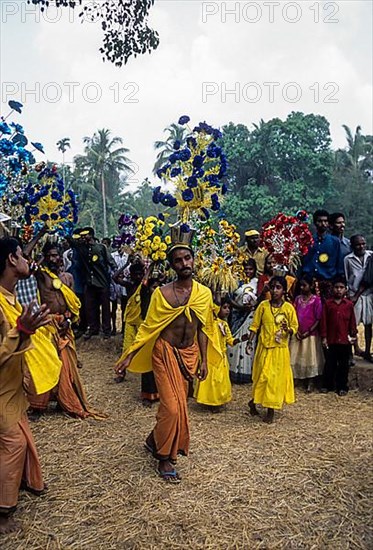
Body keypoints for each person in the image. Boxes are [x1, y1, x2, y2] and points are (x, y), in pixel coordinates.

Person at [115, 245, 221, 483]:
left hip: (189, 356)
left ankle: (154, 439)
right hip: (164, 354)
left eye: (187, 258)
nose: (184, 263)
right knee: (172, 408)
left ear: (193, 260)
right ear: (172, 265)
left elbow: (204, 328)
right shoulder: (161, 294)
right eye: (178, 260)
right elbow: (148, 327)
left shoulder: (204, 294)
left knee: (177, 406)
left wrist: (204, 360)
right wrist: (129, 355)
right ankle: (164, 457)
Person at [0, 237, 50, 534]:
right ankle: (4, 512)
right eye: (22, 254)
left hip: (11, 390)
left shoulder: (11, 297)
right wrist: (20, 331)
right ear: (10, 259)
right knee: (14, 444)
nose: (26, 259)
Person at [28, 243, 104, 419]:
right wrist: (41, 234)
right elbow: (27, 259)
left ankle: (64, 399)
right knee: (47, 362)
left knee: (66, 364)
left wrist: (69, 320)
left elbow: (72, 302)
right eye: (51, 255)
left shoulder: (67, 277)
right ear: (45, 256)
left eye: (57, 255)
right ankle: (38, 406)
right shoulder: (41, 275)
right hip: (47, 324)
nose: (55, 258)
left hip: (64, 324)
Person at [247, 276, 298, 424]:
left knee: (274, 380)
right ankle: (254, 402)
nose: (275, 291)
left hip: (279, 350)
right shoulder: (263, 306)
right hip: (264, 349)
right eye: (273, 287)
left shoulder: (288, 308)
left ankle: (270, 410)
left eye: (279, 288)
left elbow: (295, 327)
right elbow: (255, 326)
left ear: (284, 290)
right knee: (262, 378)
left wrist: (287, 330)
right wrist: (250, 342)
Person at [195, 297, 246, 411]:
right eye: (224, 307)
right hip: (211, 356)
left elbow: (230, 341)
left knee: (220, 381)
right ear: (217, 308)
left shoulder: (225, 324)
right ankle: (211, 402)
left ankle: (218, 400)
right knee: (212, 380)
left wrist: (240, 339)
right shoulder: (210, 323)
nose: (227, 310)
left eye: (229, 308)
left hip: (222, 357)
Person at [70, 228, 117, 340]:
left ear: (91, 235)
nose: (83, 237)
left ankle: (106, 330)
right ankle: (93, 328)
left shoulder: (101, 248)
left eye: (85, 235)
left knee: (105, 308)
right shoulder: (83, 249)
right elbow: (74, 244)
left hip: (102, 282)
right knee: (90, 307)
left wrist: (114, 274)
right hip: (89, 282)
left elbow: (111, 262)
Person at [320, 277, 357, 395]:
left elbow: (352, 321)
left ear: (345, 290)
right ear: (332, 289)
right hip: (331, 340)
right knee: (329, 364)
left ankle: (342, 387)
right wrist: (324, 337)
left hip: (344, 341)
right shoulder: (328, 304)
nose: (339, 290)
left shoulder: (349, 305)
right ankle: (327, 385)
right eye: (336, 287)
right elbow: (324, 321)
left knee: (343, 365)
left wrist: (353, 335)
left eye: (341, 288)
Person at [290, 274, 324, 392]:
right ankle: (295, 379)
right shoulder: (297, 299)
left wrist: (308, 332)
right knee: (296, 356)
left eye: (304, 285)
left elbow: (318, 319)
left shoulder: (316, 300)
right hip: (298, 333)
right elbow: (293, 314)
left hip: (311, 335)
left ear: (311, 286)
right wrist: (297, 330)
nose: (302, 288)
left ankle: (310, 381)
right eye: (301, 285)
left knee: (310, 357)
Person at [302, 209, 343, 299]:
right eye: (320, 221)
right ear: (315, 223)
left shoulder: (334, 241)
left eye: (325, 221)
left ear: (328, 223)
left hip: (328, 283)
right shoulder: (308, 241)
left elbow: (339, 264)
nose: (323, 224)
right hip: (309, 283)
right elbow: (303, 261)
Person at [229, 259, 258, 384]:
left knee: (247, 342)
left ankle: (246, 374)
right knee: (234, 344)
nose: (248, 271)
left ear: (255, 270)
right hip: (237, 316)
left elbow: (260, 298)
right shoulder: (235, 281)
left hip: (250, 317)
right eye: (246, 269)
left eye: (250, 269)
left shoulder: (257, 282)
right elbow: (229, 298)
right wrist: (240, 307)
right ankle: (232, 373)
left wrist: (250, 308)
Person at [344, 235, 373, 362]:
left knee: (368, 324)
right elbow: (346, 277)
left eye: (363, 244)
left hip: (369, 294)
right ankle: (351, 352)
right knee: (352, 325)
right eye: (358, 244)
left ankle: (367, 351)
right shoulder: (348, 259)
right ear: (352, 246)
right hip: (354, 294)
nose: (361, 246)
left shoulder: (370, 256)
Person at [110, 244, 129, 335]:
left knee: (124, 307)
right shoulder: (112, 255)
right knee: (113, 307)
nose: (120, 248)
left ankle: (124, 328)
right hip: (114, 282)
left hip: (124, 282)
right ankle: (113, 327)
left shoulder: (128, 256)